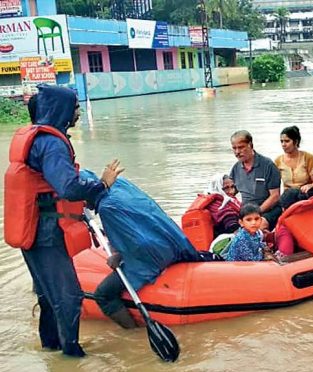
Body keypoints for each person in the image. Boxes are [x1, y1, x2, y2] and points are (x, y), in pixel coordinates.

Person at [4, 84, 122, 357]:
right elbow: (68, 187)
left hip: (31, 226)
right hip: (46, 231)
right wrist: (102, 185)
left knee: (48, 295)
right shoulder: (53, 144)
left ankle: (51, 347)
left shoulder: (37, 139)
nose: (78, 112)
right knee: (69, 297)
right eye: (75, 107)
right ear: (61, 110)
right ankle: (71, 355)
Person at [87, 171, 199, 329]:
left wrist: (119, 255)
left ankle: (133, 332)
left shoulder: (107, 208)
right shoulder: (122, 185)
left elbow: (135, 243)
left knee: (103, 295)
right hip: (172, 243)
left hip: (153, 257)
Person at [229, 130, 282, 230]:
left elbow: (275, 196)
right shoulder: (236, 168)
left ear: (250, 145)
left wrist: (256, 212)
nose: (237, 152)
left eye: (241, 147)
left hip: (268, 210)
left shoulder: (267, 165)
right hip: (246, 211)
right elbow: (231, 192)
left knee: (258, 227)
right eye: (234, 148)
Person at [274, 125, 313, 208]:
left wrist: (310, 185)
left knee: (298, 195)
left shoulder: (308, 157)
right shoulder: (278, 161)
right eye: (281, 141)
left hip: (305, 194)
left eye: (287, 141)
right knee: (290, 194)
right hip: (288, 196)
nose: (283, 144)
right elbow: (275, 186)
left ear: (296, 142)